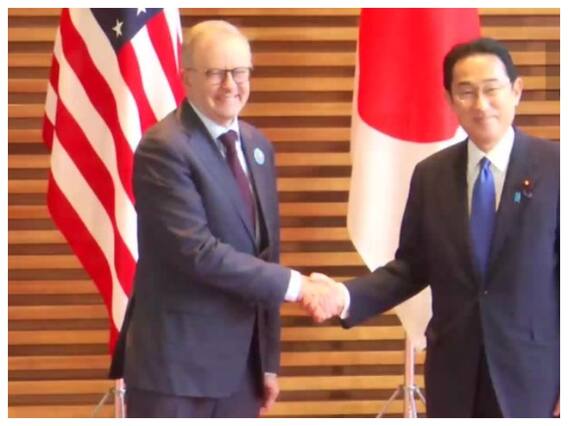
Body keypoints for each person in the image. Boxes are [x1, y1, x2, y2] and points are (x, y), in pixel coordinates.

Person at [303, 37, 560, 418]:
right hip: (453, 376)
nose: (481, 104)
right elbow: (411, 267)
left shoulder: (555, 167)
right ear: (449, 99)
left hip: (535, 378)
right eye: (466, 92)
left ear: (516, 91)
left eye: (492, 89)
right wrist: (345, 296)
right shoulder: (432, 174)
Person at [109, 20, 325, 418]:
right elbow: (197, 252)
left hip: (241, 372)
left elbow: (265, 253)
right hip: (176, 373)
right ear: (187, 77)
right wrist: (298, 287)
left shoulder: (257, 145)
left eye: (240, 71)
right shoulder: (164, 147)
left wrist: (267, 361)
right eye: (215, 73)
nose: (231, 85)